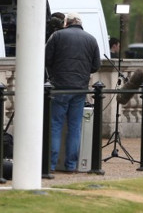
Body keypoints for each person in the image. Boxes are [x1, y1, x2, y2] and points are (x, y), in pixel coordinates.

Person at [45, 12, 100, 172]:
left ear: (66, 23)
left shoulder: (57, 36)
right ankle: (71, 165)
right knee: (75, 127)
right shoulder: (91, 39)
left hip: (60, 86)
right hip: (80, 88)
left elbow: (46, 59)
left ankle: (51, 164)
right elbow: (96, 65)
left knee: (55, 125)